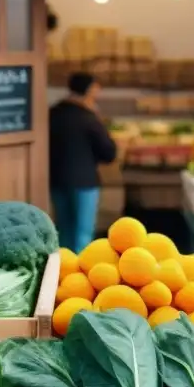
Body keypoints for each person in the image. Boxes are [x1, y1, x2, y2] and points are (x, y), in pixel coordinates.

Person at [49, 72, 117, 252]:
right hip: (84, 182)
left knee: (63, 232)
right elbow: (109, 152)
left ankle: (62, 273)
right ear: (88, 90)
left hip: (56, 180)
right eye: (96, 88)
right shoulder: (89, 117)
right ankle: (80, 276)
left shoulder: (53, 113)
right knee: (83, 236)